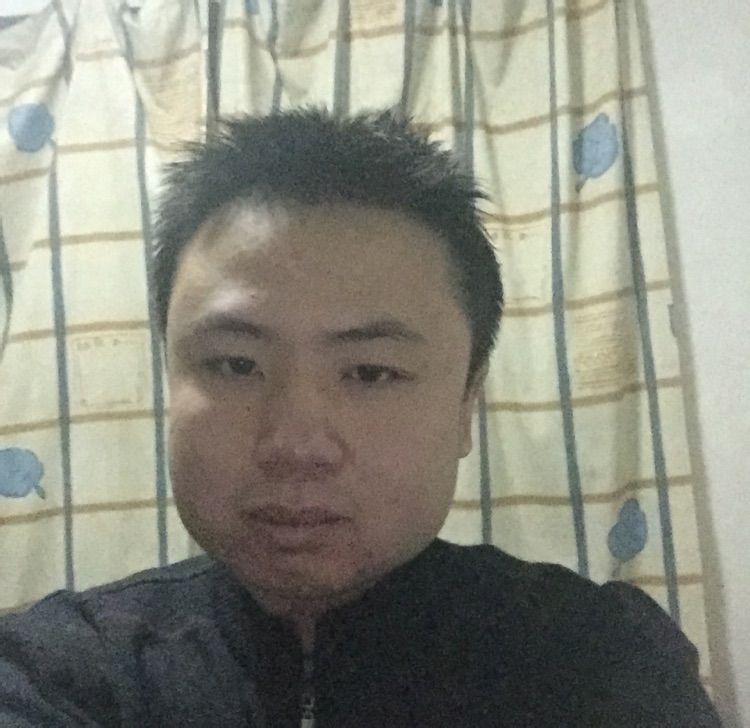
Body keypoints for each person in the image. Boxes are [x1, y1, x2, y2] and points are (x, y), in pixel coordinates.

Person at [0, 108, 721, 727]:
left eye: (371, 372)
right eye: (235, 365)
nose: (295, 444)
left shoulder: (597, 663)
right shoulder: (59, 672)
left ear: (466, 404)